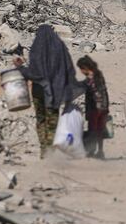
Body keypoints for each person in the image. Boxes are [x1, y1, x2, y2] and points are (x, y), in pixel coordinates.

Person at [14, 25, 79, 157]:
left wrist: (20, 68)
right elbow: (70, 70)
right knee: (52, 121)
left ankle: (44, 149)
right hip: (55, 91)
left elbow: (34, 73)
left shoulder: (36, 49)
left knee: (41, 120)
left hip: (38, 91)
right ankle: (50, 150)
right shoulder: (60, 48)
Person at [77, 55, 110, 158]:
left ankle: (91, 151)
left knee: (93, 130)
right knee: (100, 130)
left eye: (81, 69)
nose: (81, 71)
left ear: (85, 67)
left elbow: (94, 92)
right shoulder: (99, 74)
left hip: (95, 109)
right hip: (103, 108)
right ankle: (100, 151)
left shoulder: (90, 79)